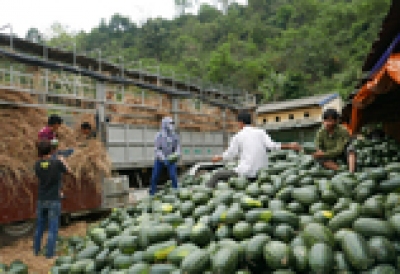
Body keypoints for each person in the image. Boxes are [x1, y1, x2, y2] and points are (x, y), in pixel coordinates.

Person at [210, 112, 301, 187]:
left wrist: (219, 157)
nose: (237, 125)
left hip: (245, 173)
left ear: (240, 123)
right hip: (262, 173)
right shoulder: (261, 132)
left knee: (217, 175)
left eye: (237, 123)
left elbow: (231, 154)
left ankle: (209, 191)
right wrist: (289, 145)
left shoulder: (238, 136)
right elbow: (272, 146)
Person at [34, 140, 73, 258]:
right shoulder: (56, 163)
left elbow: (40, 174)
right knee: (52, 228)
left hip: (41, 199)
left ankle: (36, 251)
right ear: (51, 150)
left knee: (40, 226)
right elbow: (69, 172)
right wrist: (62, 161)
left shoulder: (36, 165)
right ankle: (50, 255)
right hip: (53, 199)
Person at [313, 108, 356, 173]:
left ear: (336, 121)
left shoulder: (343, 131)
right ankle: (341, 170)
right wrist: (319, 151)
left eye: (330, 120)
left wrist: (324, 154)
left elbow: (339, 149)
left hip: (342, 154)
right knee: (318, 157)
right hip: (329, 155)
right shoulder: (321, 132)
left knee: (351, 149)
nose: (328, 123)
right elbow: (318, 145)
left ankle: (351, 172)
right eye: (326, 120)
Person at [149, 117, 181, 196]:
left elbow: (177, 147)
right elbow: (157, 149)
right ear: (165, 124)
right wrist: (163, 158)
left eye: (172, 123)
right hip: (160, 159)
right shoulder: (159, 135)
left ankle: (176, 191)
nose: (172, 125)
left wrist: (176, 154)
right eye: (170, 123)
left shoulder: (174, 135)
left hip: (171, 159)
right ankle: (152, 192)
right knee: (155, 176)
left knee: (173, 175)